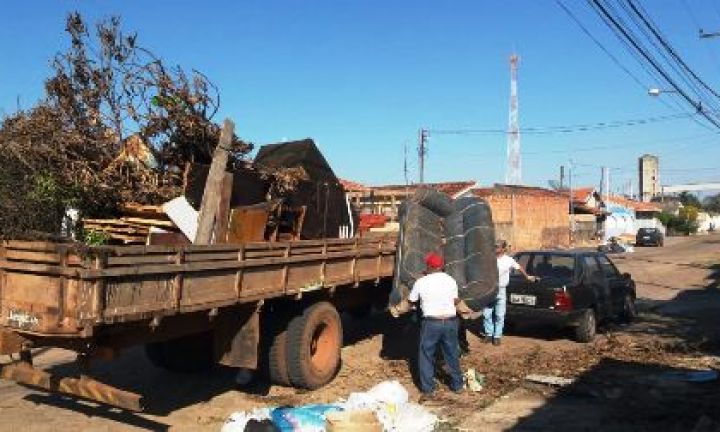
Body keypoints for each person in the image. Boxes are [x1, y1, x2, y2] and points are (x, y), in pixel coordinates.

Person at [408, 252, 464, 396]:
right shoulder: (451, 280)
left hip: (432, 323)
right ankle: (457, 385)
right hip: (450, 321)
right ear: (441, 267)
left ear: (429, 266)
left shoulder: (421, 282)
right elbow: (455, 300)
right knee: (451, 353)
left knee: (427, 354)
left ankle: (428, 390)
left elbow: (412, 300)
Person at [483, 240, 536, 346]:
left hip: (501, 290)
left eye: (497, 247)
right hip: (489, 290)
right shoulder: (489, 258)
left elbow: (519, 267)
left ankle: (497, 336)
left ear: (503, 249)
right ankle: (489, 334)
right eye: (494, 246)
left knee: (499, 315)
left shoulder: (509, 260)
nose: (495, 248)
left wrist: (527, 276)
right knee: (486, 314)